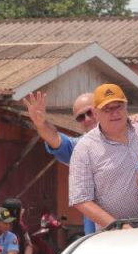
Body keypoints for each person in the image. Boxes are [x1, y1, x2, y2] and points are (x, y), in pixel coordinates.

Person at [69, 84, 138, 229]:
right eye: (107, 109)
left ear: (126, 107)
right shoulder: (84, 148)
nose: (114, 113)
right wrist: (120, 226)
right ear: (96, 113)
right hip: (114, 236)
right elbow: (80, 199)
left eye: (119, 106)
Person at [21, 90, 101, 235]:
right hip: (98, 236)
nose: (87, 119)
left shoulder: (136, 132)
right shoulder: (80, 148)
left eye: (90, 112)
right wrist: (41, 122)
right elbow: (55, 139)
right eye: (81, 117)